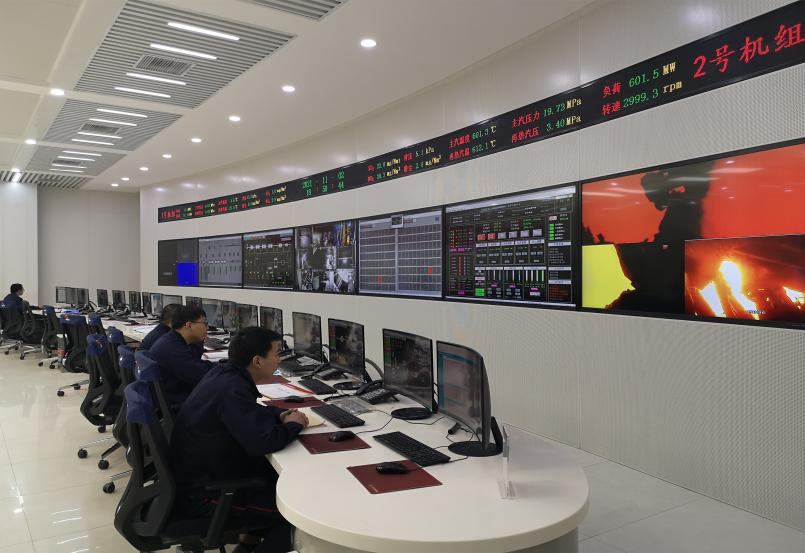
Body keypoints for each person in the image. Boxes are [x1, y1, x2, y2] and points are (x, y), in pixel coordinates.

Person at [170, 327, 308, 552]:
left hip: (202, 477)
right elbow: (263, 442)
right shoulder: (233, 388)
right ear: (257, 361)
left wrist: (279, 414)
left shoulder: (224, 374)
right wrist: (295, 425)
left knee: (277, 480)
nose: (279, 359)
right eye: (276, 354)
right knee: (295, 512)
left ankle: (246, 546)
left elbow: (247, 413)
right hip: (207, 494)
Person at [148, 305, 214, 412]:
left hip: (169, 398)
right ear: (189, 325)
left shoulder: (172, 340)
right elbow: (202, 376)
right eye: (205, 323)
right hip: (178, 405)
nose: (207, 328)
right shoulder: (173, 349)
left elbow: (195, 364)